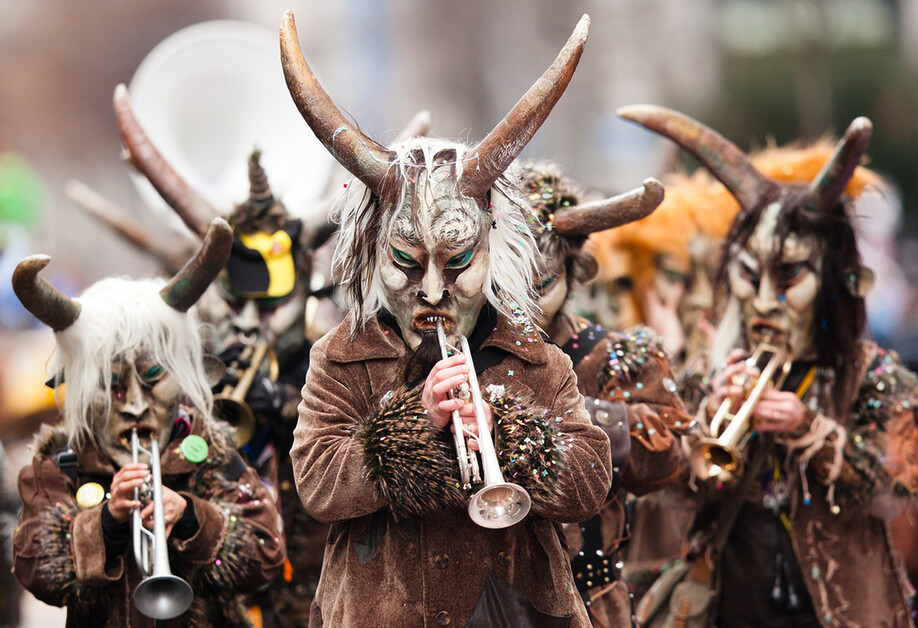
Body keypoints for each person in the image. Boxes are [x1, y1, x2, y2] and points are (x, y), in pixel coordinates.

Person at [282, 10, 612, 627]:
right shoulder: (340, 357)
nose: (432, 288)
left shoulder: (537, 358)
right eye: (406, 262)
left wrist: (509, 433)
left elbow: (590, 482)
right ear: (371, 251)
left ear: (493, 249)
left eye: (458, 262)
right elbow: (318, 485)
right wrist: (413, 426)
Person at [620, 104, 918, 626]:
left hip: (840, 609)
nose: (762, 301)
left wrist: (809, 429)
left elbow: (898, 486)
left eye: (788, 278)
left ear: (828, 279)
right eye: (749, 275)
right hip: (735, 605)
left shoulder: (871, 373)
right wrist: (705, 417)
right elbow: (668, 488)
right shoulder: (713, 370)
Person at [11, 218, 286, 627]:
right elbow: (33, 567)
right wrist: (107, 522)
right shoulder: (60, 463)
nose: (137, 406)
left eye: (153, 377)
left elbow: (267, 553)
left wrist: (193, 516)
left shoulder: (212, 451)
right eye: (112, 384)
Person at [521, 161, 693, 626]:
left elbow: (672, 459)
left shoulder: (614, 353)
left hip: (592, 604)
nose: (522, 305)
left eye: (539, 285)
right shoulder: (452, 353)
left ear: (573, 271)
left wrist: (583, 416)